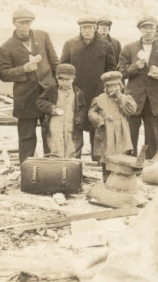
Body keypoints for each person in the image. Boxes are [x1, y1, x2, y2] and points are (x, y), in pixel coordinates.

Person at [0, 8, 60, 164]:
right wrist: (23, 69)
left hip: (48, 94)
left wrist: (58, 86)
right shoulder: (6, 47)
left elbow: (54, 63)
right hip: (25, 98)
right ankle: (26, 169)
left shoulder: (42, 36)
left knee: (50, 134)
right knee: (26, 136)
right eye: (21, 23)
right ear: (14, 23)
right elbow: (3, 74)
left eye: (28, 22)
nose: (24, 26)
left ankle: (51, 167)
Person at [118, 15, 158, 159]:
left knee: (153, 134)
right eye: (144, 28)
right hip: (134, 100)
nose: (148, 31)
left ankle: (151, 164)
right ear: (140, 30)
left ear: (155, 29)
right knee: (130, 134)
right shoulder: (129, 48)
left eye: (151, 27)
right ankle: (129, 163)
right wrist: (135, 67)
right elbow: (120, 71)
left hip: (154, 99)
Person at [60, 17, 116, 159]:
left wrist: (107, 90)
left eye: (90, 27)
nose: (87, 31)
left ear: (95, 28)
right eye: (84, 28)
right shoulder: (70, 44)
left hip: (97, 93)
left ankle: (97, 158)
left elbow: (111, 69)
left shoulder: (105, 46)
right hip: (75, 93)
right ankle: (74, 158)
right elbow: (63, 68)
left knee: (96, 125)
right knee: (75, 123)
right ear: (80, 29)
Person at [88, 71, 137, 181]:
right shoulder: (99, 99)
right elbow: (91, 113)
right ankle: (106, 177)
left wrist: (121, 99)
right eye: (111, 86)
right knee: (106, 154)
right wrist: (100, 120)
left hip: (121, 131)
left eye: (117, 86)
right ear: (106, 87)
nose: (115, 89)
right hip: (106, 131)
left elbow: (131, 111)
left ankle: (119, 178)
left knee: (121, 153)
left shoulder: (125, 98)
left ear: (121, 86)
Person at [36, 64, 86, 158]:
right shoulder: (51, 90)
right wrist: (52, 108)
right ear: (56, 78)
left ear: (73, 79)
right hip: (55, 124)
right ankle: (56, 168)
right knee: (55, 146)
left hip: (71, 124)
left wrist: (79, 119)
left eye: (67, 79)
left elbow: (83, 108)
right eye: (61, 79)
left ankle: (70, 169)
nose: (64, 82)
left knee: (71, 147)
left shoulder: (78, 92)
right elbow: (40, 101)